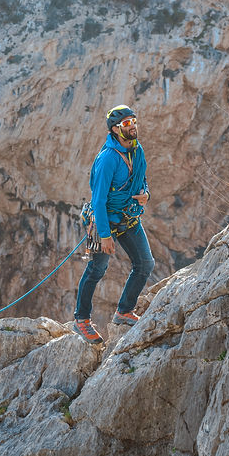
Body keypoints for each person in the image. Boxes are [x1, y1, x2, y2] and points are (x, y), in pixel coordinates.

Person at [73, 104, 155, 344]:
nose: (133, 127)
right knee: (97, 269)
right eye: (127, 124)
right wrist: (106, 236)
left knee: (145, 264)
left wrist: (146, 194)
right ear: (116, 129)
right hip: (103, 221)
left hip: (128, 217)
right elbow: (98, 200)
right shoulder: (108, 158)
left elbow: (142, 178)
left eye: (134, 122)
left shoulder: (136, 150)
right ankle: (82, 320)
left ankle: (124, 311)